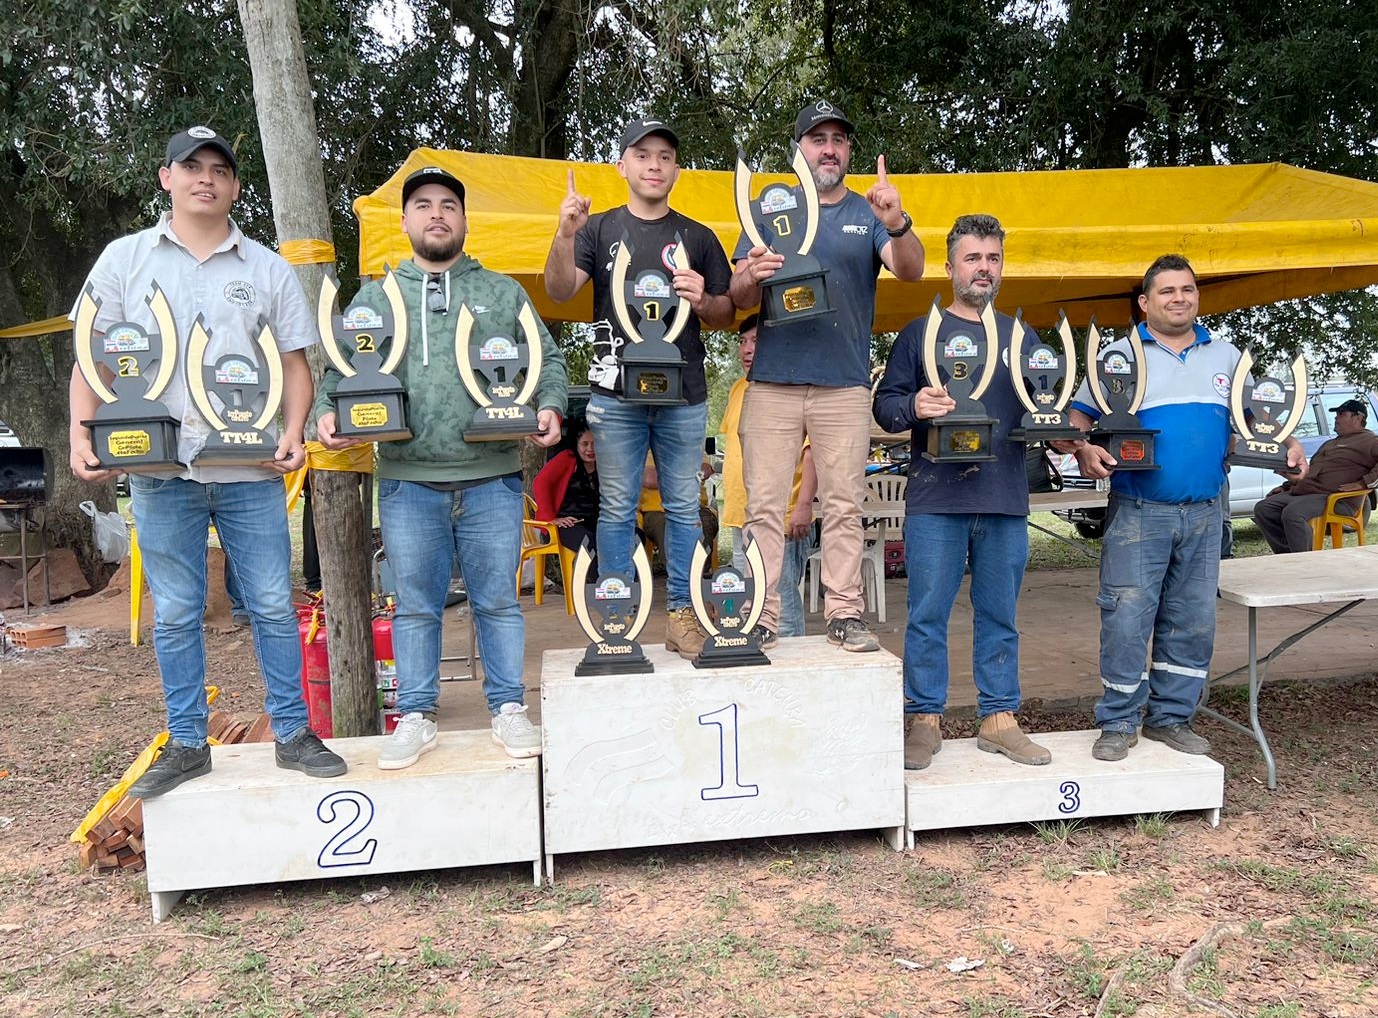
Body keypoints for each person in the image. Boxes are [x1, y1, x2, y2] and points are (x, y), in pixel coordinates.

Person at [68, 125, 346, 796]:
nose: (205, 178)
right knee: (176, 611)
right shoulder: (124, 259)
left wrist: (295, 428)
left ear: (235, 187)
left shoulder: (267, 269)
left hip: (250, 472)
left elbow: (294, 364)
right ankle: (189, 742)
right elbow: (92, 355)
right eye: (190, 166)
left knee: (275, 605)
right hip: (160, 473)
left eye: (219, 169)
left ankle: (293, 732)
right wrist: (83, 433)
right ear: (166, 178)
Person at [318, 166, 567, 769]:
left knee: (499, 605)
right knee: (415, 606)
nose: (437, 214)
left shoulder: (504, 292)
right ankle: (416, 716)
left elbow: (549, 360)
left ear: (463, 219)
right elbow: (339, 371)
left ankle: (509, 709)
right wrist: (327, 411)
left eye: (449, 204)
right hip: (407, 481)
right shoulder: (376, 298)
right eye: (423, 205)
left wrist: (553, 406)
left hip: (493, 477)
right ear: (403, 222)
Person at [1062, 254, 1307, 761]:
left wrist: (1287, 445)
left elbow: (1255, 423)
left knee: (1192, 621)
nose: (1180, 298)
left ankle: (1172, 718)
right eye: (1168, 291)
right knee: (1127, 618)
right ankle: (1119, 721)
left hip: (1205, 512)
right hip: (1138, 510)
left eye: (1188, 289)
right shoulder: (1120, 355)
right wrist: (1082, 448)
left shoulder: (1227, 357)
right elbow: (1073, 418)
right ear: (1144, 302)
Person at [729, 100, 925, 651]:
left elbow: (911, 270)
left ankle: (843, 613)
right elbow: (736, 295)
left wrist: (897, 222)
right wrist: (752, 273)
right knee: (764, 506)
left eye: (839, 139)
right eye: (819, 140)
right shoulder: (771, 209)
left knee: (845, 504)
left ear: (849, 152)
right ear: (800, 150)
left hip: (843, 385)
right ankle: (761, 616)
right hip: (771, 383)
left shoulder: (868, 214)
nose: (830, 149)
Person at [543, 117, 735, 660]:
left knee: (680, 507)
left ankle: (680, 618)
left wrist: (703, 299)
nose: (655, 165)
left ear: (676, 169)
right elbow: (559, 292)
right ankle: (615, 620)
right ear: (622, 164)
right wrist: (564, 233)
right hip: (615, 399)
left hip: (684, 397)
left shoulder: (697, 236)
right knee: (616, 509)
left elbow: (725, 313)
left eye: (665, 156)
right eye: (643, 154)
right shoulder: (597, 229)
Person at [873, 214, 1050, 769]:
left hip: (1003, 498)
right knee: (927, 613)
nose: (984, 268)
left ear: (1002, 267)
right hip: (936, 500)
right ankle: (924, 720)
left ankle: (999, 718)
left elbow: (1046, 403)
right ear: (949, 268)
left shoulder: (1024, 338)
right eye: (972, 258)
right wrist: (913, 407)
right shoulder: (918, 334)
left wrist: (1066, 434)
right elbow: (885, 406)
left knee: (999, 613)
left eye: (993, 258)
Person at [720, 314, 817, 639]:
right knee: (749, 596)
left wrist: (804, 505)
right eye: (742, 342)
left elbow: (811, 450)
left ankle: (795, 678)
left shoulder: (793, 388)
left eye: (756, 341)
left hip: (781, 518)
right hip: (740, 516)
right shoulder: (737, 389)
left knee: (782, 602)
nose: (747, 350)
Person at [1253, 399, 1378, 553]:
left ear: (1358, 418)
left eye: (1341, 414)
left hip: (1336, 498)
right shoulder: (1330, 443)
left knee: (1293, 513)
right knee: (1264, 508)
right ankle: (1288, 556)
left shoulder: (1371, 441)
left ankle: (1305, 562)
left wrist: (1363, 483)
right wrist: (1286, 486)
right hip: (1306, 493)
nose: (1336, 418)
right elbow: (1312, 471)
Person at [534, 424, 600, 554]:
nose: (590, 449)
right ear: (576, 444)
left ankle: (622, 575)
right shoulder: (567, 458)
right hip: (566, 524)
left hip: (595, 521)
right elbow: (540, 483)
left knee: (633, 537)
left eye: (594, 443)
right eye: (584, 444)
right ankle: (593, 575)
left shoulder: (604, 462)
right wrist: (550, 519)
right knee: (588, 543)